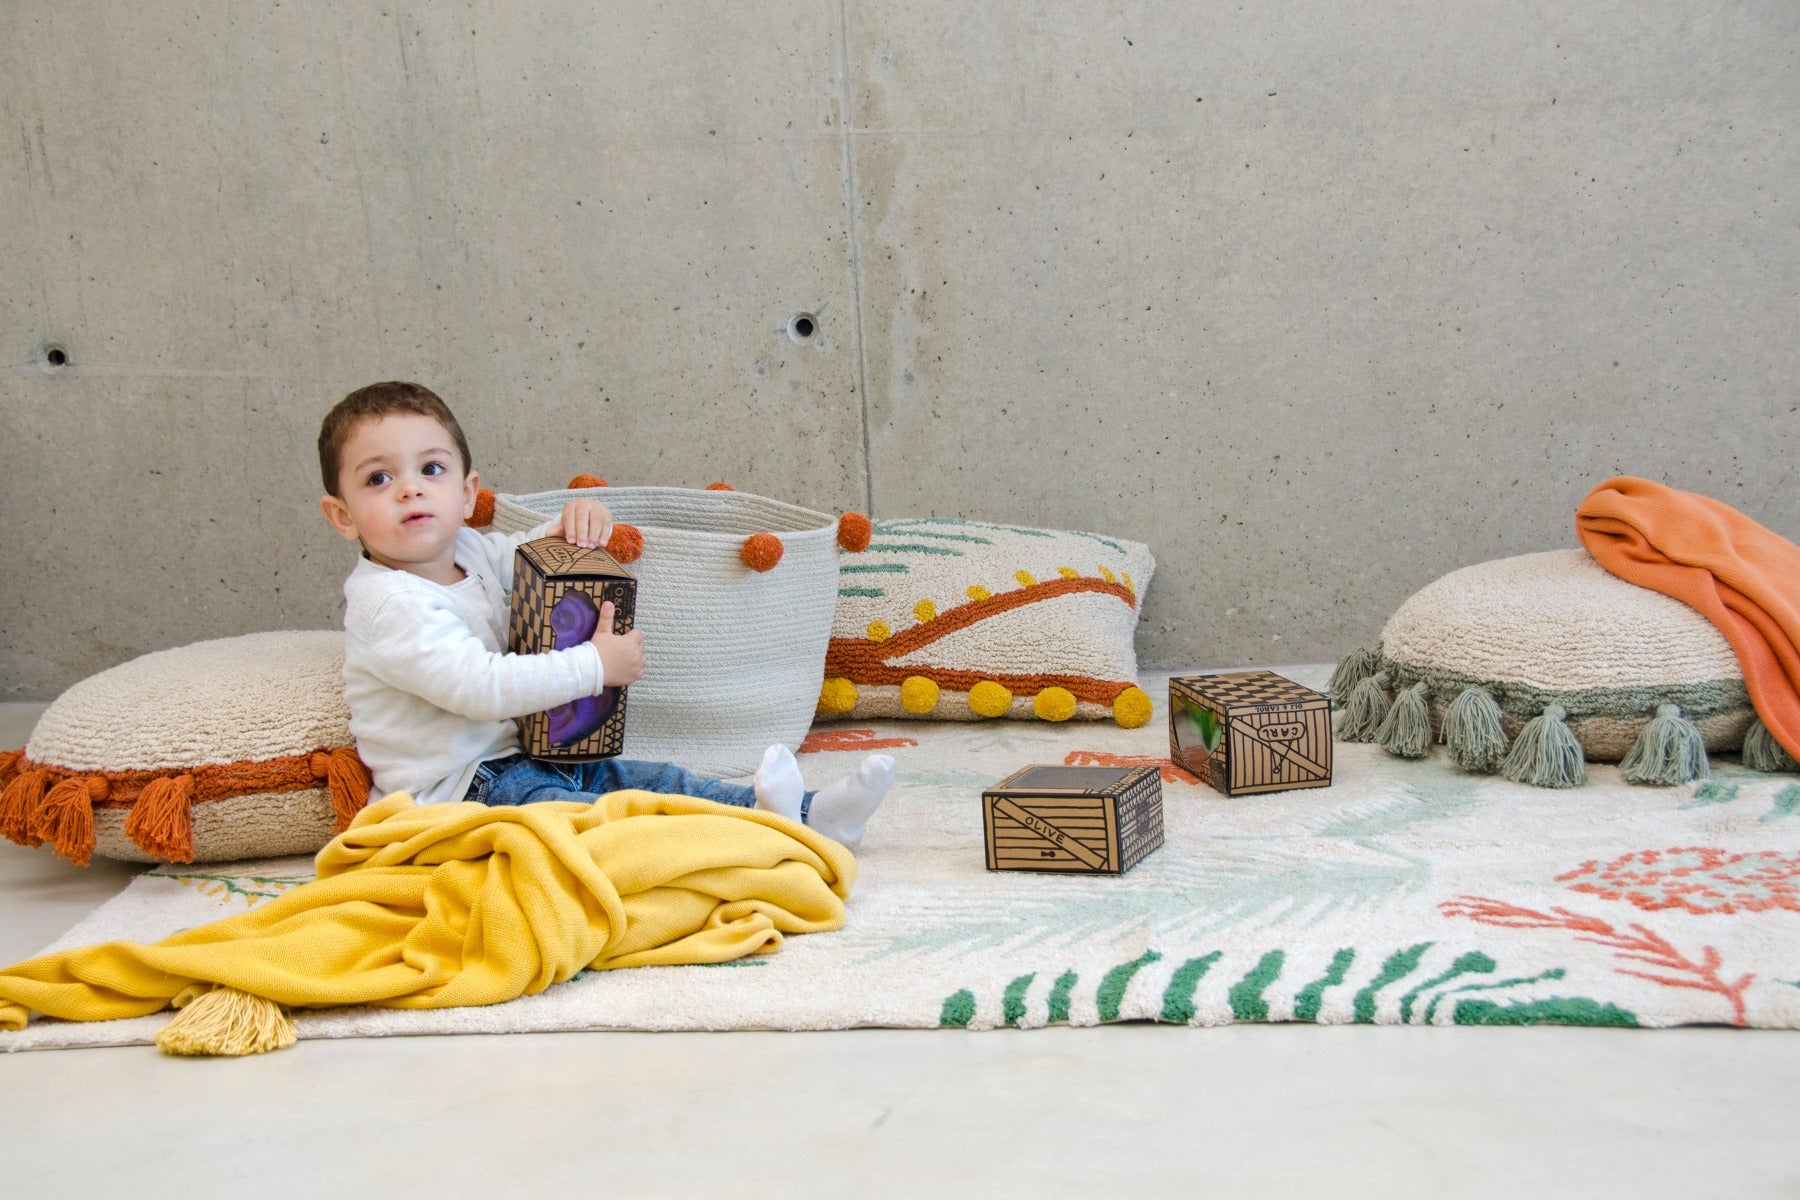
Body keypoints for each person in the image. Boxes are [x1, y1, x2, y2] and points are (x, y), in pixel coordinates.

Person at [316, 380, 893, 846]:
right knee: (615, 823)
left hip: (523, 760)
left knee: (658, 781)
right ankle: (757, 838)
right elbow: (481, 688)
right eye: (379, 478)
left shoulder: (465, 551)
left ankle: (813, 815)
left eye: (431, 469)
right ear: (342, 517)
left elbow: (524, 561)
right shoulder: (390, 603)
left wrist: (569, 526)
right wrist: (595, 664)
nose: (410, 490)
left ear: (467, 495)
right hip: (455, 800)